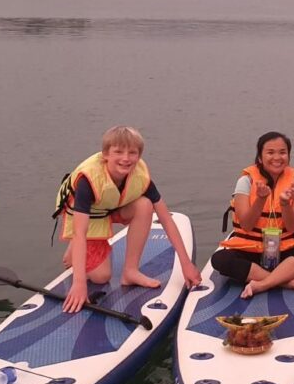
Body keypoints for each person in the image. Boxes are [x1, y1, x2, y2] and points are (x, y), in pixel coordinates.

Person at [54, 126, 201, 313]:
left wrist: (186, 264)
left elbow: (166, 219)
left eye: (132, 153)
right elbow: (79, 232)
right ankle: (73, 251)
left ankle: (130, 271)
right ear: (106, 154)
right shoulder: (88, 180)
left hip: (112, 205)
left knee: (145, 204)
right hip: (88, 217)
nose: (126, 158)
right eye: (118, 152)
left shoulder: (140, 176)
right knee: (101, 277)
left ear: (139, 156)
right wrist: (79, 283)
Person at [211, 132, 294, 299]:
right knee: (220, 259)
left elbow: (292, 227)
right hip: (251, 251)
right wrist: (261, 199)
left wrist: (285, 204)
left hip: (282, 250)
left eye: (282, 152)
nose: (277, 157)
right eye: (270, 152)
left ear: (289, 156)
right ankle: (284, 281)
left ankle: (262, 284)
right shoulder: (246, 182)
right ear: (260, 157)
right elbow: (246, 225)